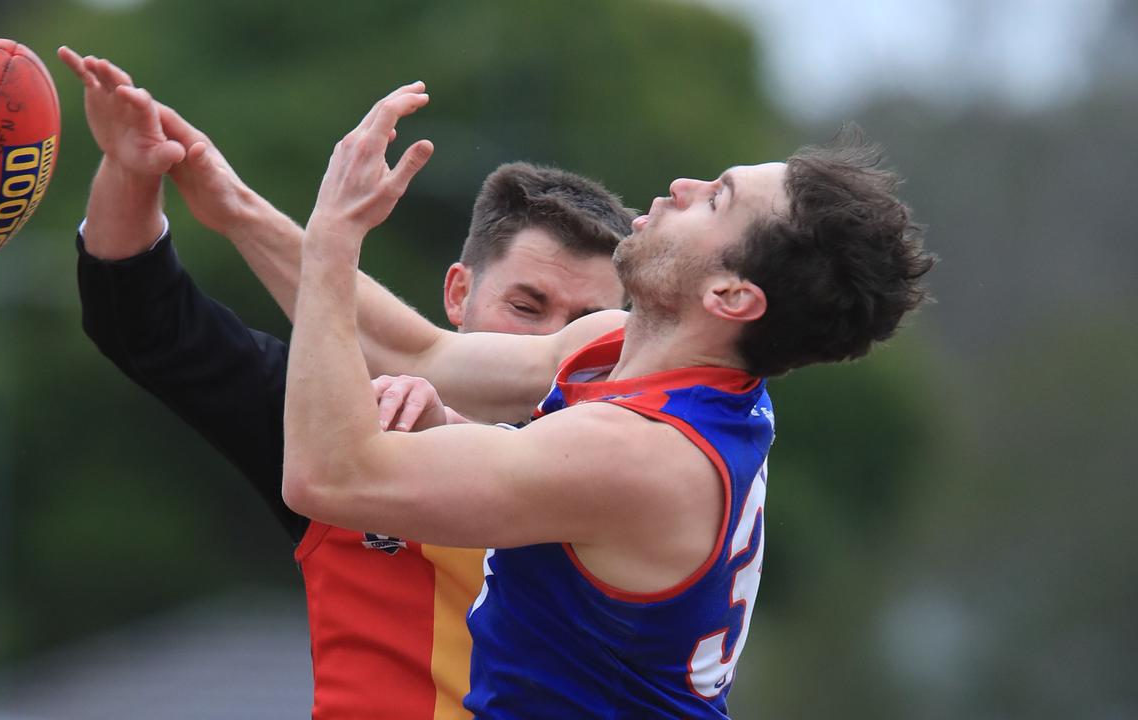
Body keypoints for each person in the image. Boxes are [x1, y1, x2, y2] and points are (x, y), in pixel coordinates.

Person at [274, 83, 936, 719]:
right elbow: (423, 355)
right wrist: (228, 202)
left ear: (731, 296)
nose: (684, 187)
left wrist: (335, 234)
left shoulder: (636, 454)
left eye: (716, 200)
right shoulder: (634, 352)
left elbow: (327, 473)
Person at [57, 47, 633, 720]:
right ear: (458, 293)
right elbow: (142, 322)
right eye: (526, 308)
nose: (549, 344)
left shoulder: (642, 465)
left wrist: (439, 435)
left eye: (587, 330)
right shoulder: (344, 428)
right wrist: (131, 169)